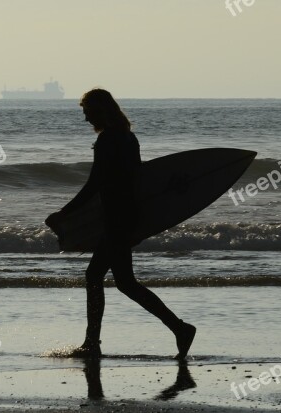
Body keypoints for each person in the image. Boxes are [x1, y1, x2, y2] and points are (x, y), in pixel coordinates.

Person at [46, 88, 196, 359]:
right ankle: (179, 328)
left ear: (100, 110)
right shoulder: (128, 137)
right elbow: (136, 180)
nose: (85, 119)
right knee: (125, 282)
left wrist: (64, 213)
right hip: (127, 216)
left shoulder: (108, 140)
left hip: (117, 218)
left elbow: (96, 184)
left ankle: (94, 342)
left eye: (87, 112)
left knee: (97, 276)